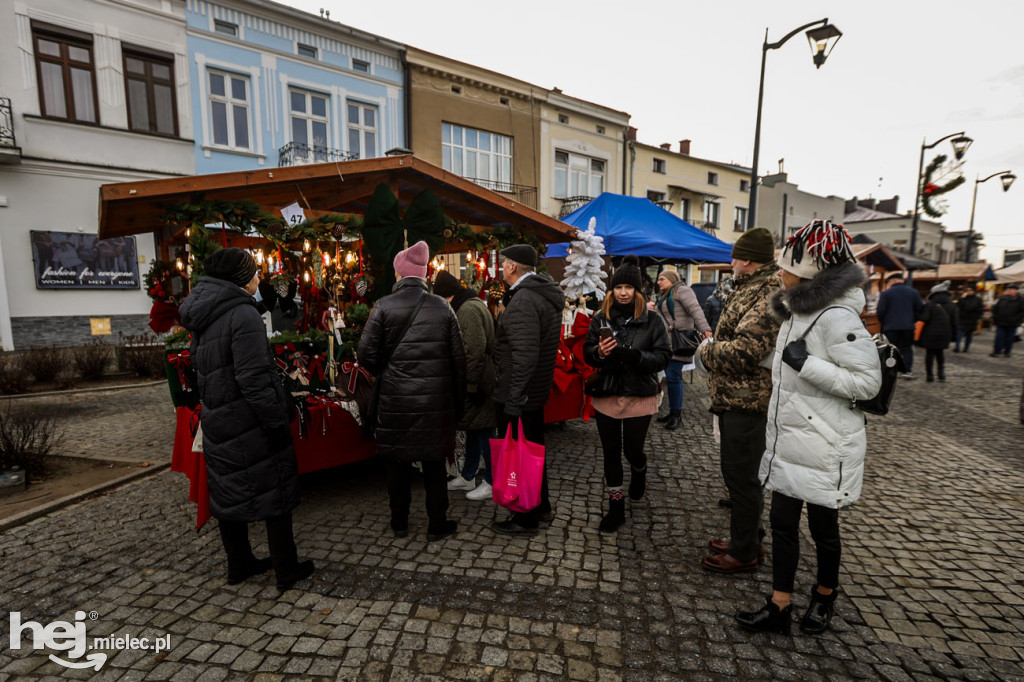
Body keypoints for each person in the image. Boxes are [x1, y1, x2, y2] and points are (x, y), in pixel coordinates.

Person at [736, 220, 881, 635]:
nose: (779, 273)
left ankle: (823, 595)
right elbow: (788, 366)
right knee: (782, 524)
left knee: (823, 528)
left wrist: (807, 364)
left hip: (824, 443)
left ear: (807, 271)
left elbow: (867, 384)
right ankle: (779, 604)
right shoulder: (797, 313)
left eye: (785, 267)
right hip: (790, 439)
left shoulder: (837, 317)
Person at [179, 248, 314, 591]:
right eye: (254, 273)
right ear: (240, 279)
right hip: (249, 419)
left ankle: (239, 564)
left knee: (228, 491)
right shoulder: (243, 314)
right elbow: (254, 378)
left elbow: (198, 366)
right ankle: (286, 569)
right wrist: (276, 421)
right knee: (275, 491)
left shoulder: (205, 312)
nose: (259, 279)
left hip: (219, 417)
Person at [357, 241, 467, 541]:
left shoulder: (383, 306)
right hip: (435, 401)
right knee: (433, 463)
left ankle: (400, 523)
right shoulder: (442, 307)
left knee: (398, 462)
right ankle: (437, 524)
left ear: (399, 274)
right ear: (424, 274)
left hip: (396, 400)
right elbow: (459, 361)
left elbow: (365, 356)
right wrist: (458, 404)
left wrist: (387, 368)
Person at [698, 227, 782, 574]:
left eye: (735, 255)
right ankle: (748, 538)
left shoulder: (767, 292)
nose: (731, 261)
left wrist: (706, 351)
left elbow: (747, 350)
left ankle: (744, 551)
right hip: (737, 396)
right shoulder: (753, 286)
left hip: (748, 399)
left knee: (742, 477)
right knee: (741, 476)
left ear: (747, 259)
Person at [583, 256, 672, 532]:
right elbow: (587, 352)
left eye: (629, 288)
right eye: (618, 287)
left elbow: (663, 357)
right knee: (611, 452)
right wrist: (599, 352)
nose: (623, 292)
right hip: (607, 393)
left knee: (632, 450)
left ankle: (639, 468)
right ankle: (616, 507)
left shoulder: (652, 320)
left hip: (639, 394)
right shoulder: (601, 317)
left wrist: (634, 356)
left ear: (637, 291)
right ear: (612, 290)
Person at [491, 243, 563, 536]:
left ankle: (524, 517)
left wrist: (514, 398)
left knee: (519, 455)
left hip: (519, 391)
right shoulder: (539, 294)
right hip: (532, 390)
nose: (502, 268)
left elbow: (525, 355)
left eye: (504, 263)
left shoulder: (523, 300)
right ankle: (540, 505)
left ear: (512, 267)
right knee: (532, 450)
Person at [433, 270, 498, 501]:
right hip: (479, 379)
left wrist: (469, 385)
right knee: (473, 427)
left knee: (484, 430)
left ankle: (491, 481)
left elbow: (473, 350)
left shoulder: (467, 310)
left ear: (448, 297)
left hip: (478, 382)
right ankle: (468, 475)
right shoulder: (471, 303)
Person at [653, 269, 712, 430]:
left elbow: (695, 310)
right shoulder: (666, 294)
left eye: (662, 279)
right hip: (667, 343)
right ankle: (673, 412)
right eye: (658, 279)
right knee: (671, 377)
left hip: (679, 342)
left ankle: (676, 414)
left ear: (672, 280)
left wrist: (705, 329)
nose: (659, 282)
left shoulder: (682, 290)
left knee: (673, 377)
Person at [876, 271, 924, 378]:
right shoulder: (914, 292)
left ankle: (891, 370)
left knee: (891, 349)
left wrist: (883, 322)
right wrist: (912, 320)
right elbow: (920, 308)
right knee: (907, 348)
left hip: (890, 327)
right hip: (908, 326)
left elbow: (880, 311)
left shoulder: (886, 293)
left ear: (894, 281)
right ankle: (907, 370)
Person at [917, 280, 958, 382]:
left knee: (929, 354)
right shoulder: (952, 305)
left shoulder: (930, 305)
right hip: (945, 333)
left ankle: (929, 375)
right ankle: (941, 374)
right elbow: (955, 322)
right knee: (940, 353)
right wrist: (954, 336)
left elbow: (924, 318)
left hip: (930, 333)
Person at [990, 283, 1024, 358]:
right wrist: (996, 317)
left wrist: (1016, 319)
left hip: (1012, 323)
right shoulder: (1003, 298)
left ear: (1016, 291)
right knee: (999, 338)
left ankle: (1007, 352)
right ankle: (996, 351)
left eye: (1010, 289)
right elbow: (995, 308)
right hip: (1001, 322)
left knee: (1009, 339)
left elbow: (1022, 312)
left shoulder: (1020, 300)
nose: (1008, 291)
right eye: (1008, 289)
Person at [954, 284, 984, 353]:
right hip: (962, 318)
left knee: (969, 334)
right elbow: (959, 305)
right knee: (959, 333)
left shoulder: (977, 299)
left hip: (971, 319)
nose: (968, 292)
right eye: (967, 290)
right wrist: (962, 298)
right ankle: (957, 347)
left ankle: (966, 348)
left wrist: (978, 317)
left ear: (973, 291)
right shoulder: (964, 298)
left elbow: (970, 307)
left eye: (970, 290)